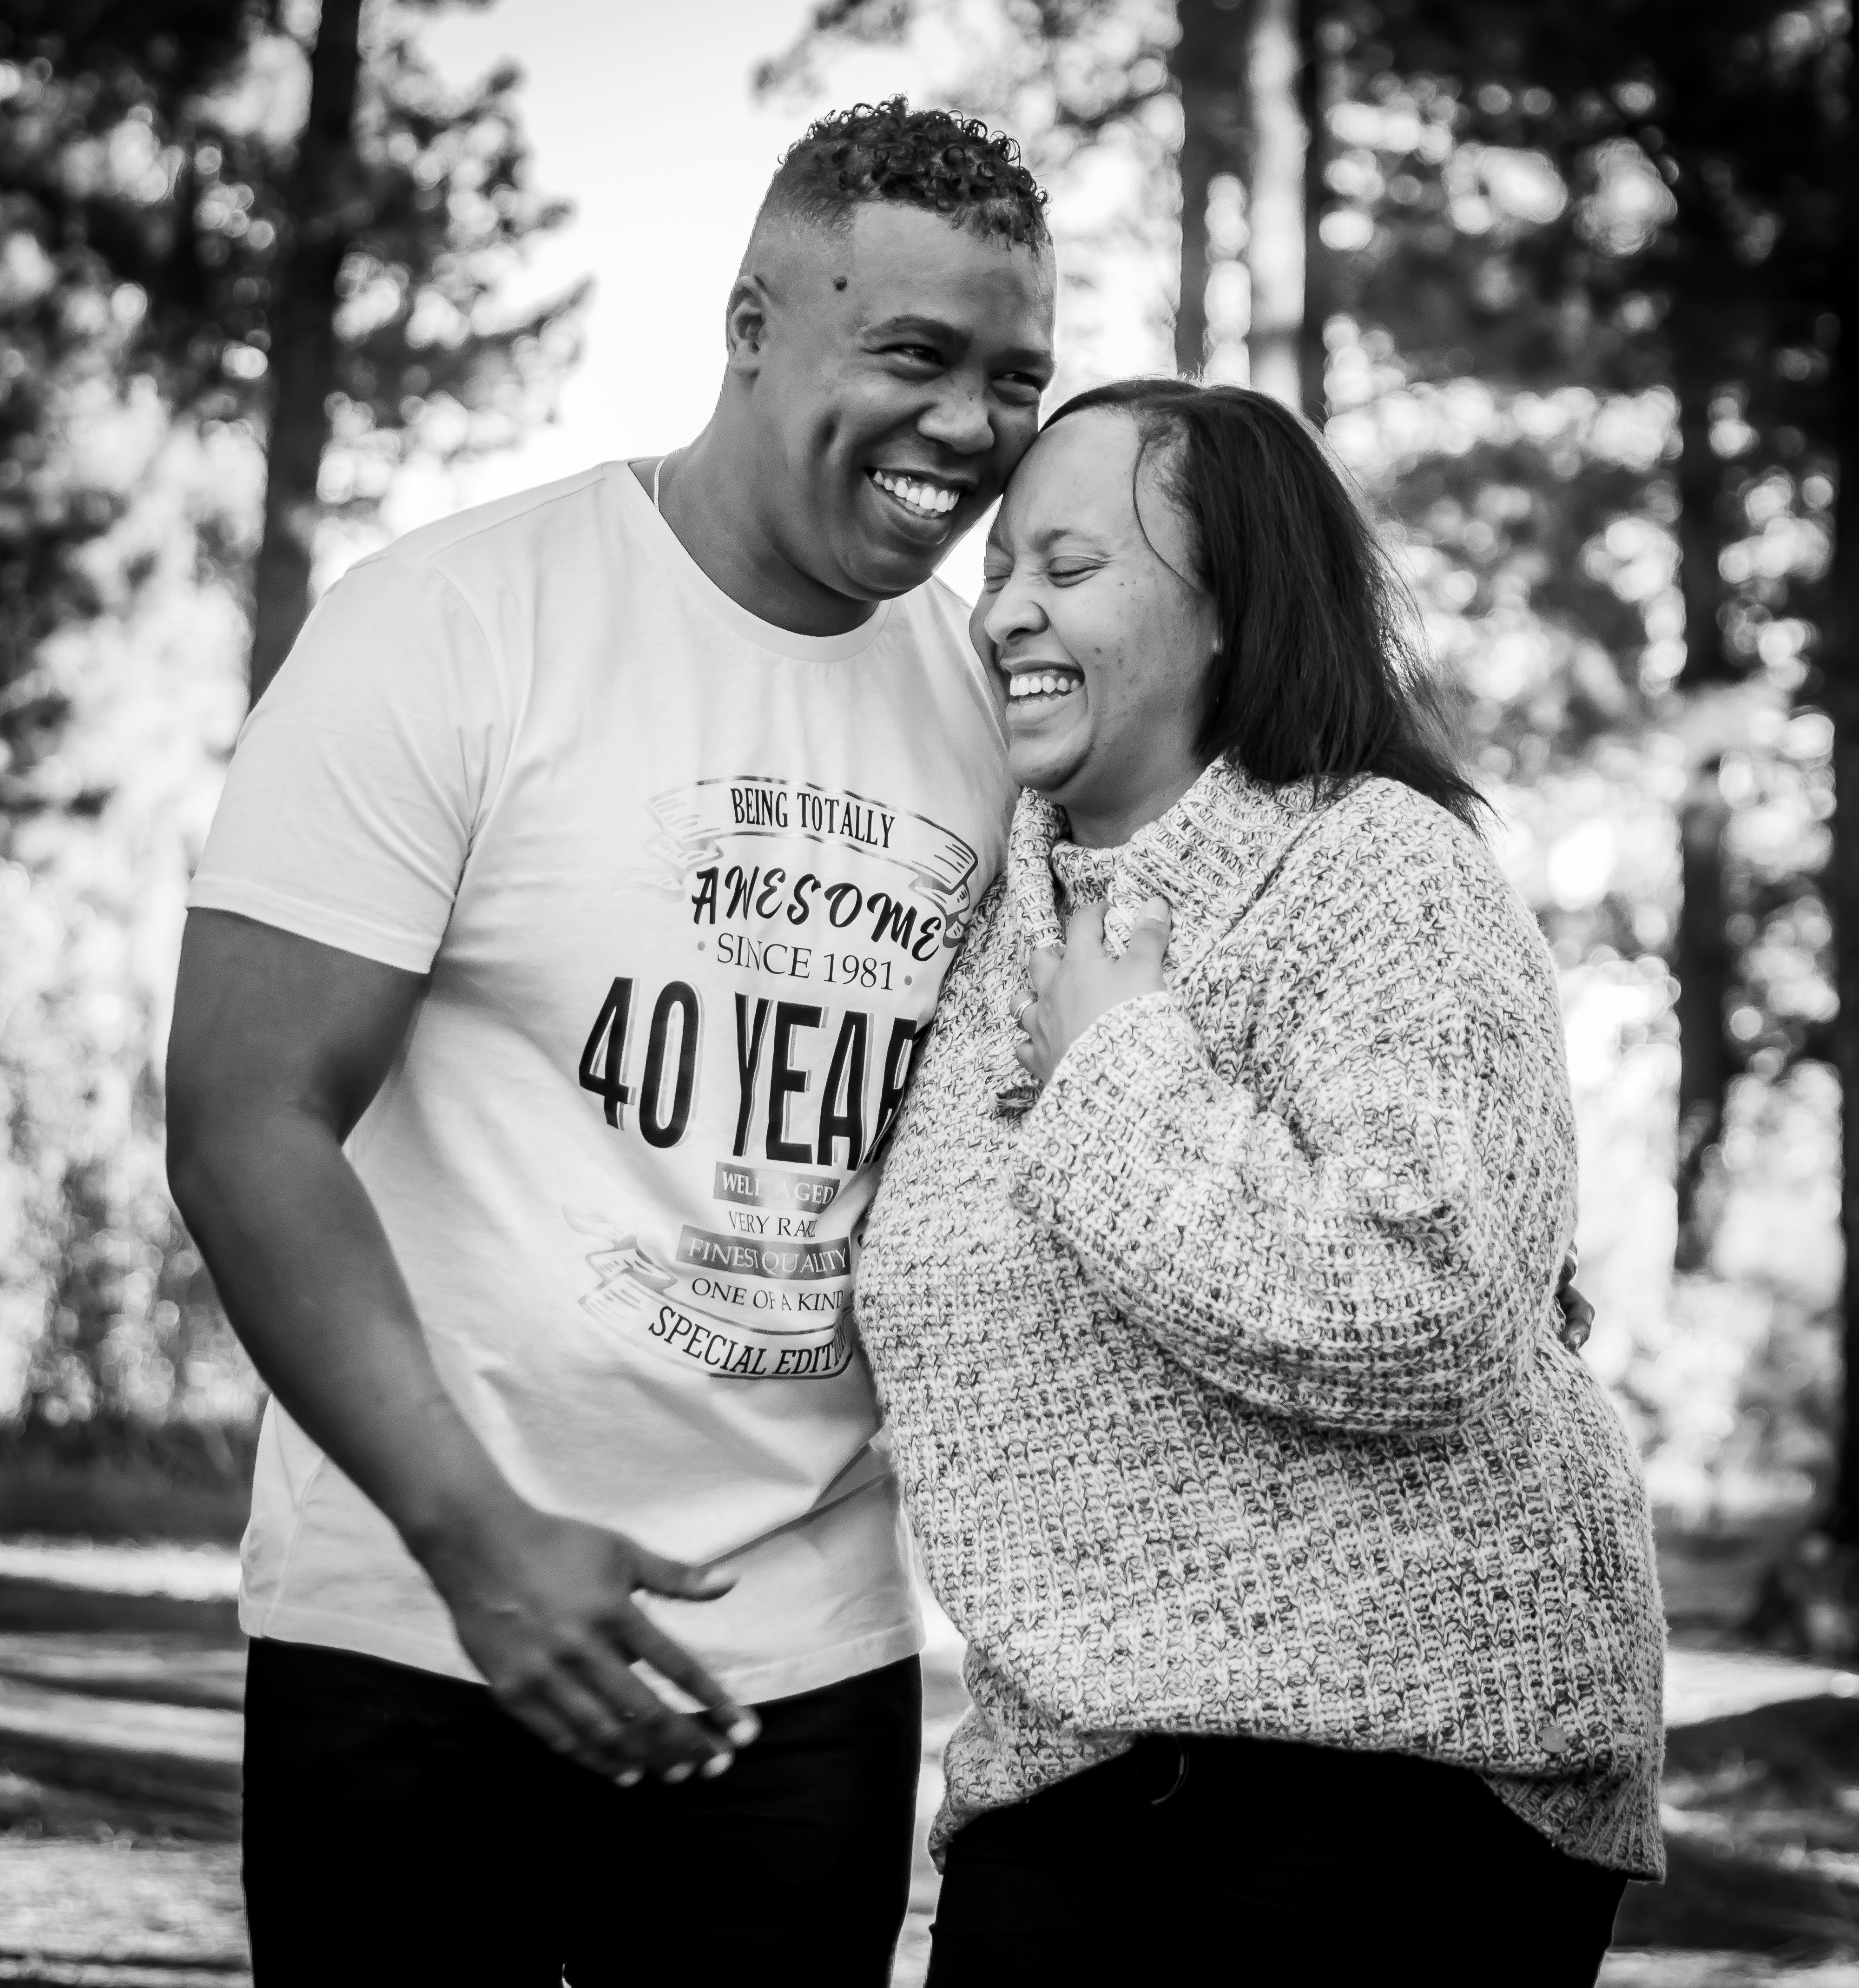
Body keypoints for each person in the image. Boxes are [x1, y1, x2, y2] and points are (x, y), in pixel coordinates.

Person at [164, 101, 1055, 1986]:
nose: (970, 429)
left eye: (1013, 376)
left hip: (805, 1661)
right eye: (914, 355)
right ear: (748, 327)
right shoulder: (457, 621)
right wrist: (473, 1532)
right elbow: (246, 1115)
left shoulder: (999, 715)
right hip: (413, 1616)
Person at [853, 378, 1666, 1988]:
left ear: (1231, 607)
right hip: (1071, 1758)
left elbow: (1428, 1307)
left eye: (1071, 569)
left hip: (1402, 1752)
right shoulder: (985, 907)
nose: (1007, 606)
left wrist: (1118, 1077)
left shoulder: (1377, 865)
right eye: (1000, 565)